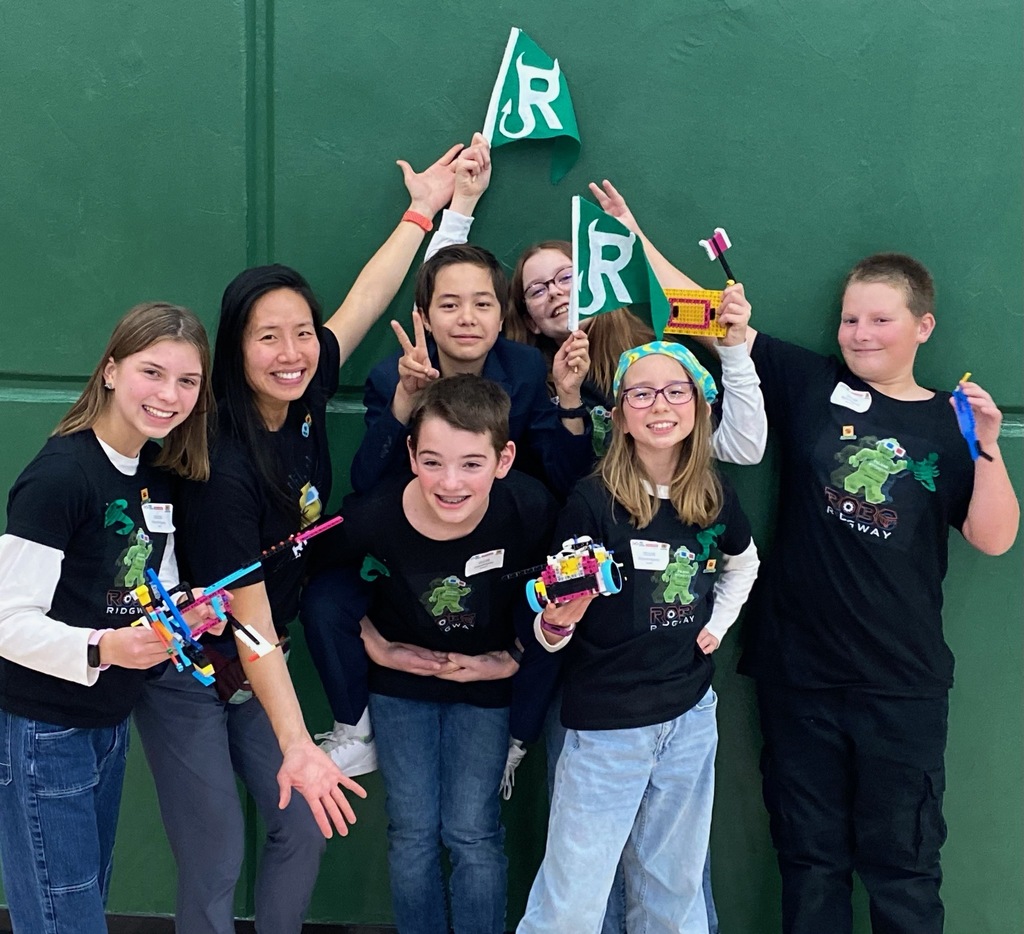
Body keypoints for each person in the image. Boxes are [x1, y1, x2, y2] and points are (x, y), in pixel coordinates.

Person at [132, 142, 466, 934]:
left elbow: (365, 297)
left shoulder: (307, 387)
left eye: (300, 333)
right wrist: (298, 745)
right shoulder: (221, 462)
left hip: (258, 654)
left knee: (300, 826)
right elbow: (244, 617)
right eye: (266, 338)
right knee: (215, 853)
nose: (291, 352)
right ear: (235, 350)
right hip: (189, 667)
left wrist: (425, 210)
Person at [736, 252, 1019, 934]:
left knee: (905, 868)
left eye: (880, 319)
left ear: (922, 326)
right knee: (810, 862)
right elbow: (713, 312)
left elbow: (993, 538)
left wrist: (987, 446)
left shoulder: (953, 422)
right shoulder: (810, 383)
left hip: (901, 686)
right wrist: (629, 230)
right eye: (850, 319)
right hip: (798, 676)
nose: (861, 333)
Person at [517, 342, 760, 933]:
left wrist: (716, 625)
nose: (660, 405)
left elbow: (744, 562)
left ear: (700, 407)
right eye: (641, 393)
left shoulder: (715, 495)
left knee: (674, 892)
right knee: (572, 898)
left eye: (676, 391)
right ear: (621, 412)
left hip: (689, 718)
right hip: (607, 728)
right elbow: (551, 624)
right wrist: (557, 621)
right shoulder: (591, 501)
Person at [0, 302, 217, 934]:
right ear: (112, 371)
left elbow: (150, 585)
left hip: (106, 723)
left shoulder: (153, 470)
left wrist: (184, 614)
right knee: (66, 920)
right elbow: (7, 621)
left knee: (80, 908)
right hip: (44, 732)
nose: (169, 395)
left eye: (187, 381)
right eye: (153, 373)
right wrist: (105, 649)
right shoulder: (60, 477)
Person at [322, 375, 558, 933]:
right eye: (432, 462)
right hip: (403, 688)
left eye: (471, 464)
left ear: (504, 460)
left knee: (472, 832)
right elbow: (320, 585)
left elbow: (565, 592)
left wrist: (518, 655)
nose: (450, 482)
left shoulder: (529, 507)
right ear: (410, 454)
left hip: (487, 688)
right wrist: (374, 644)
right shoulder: (373, 516)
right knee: (411, 833)